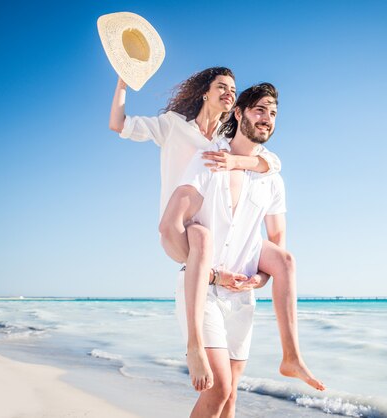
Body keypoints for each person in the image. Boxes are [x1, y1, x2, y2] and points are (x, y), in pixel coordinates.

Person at [109, 69, 322, 393]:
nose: (228, 93)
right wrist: (123, 82)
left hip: (225, 232)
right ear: (205, 93)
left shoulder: (230, 139)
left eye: (232, 89)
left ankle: (291, 355)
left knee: (285, 260)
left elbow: (269, 163)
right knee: (202, 238)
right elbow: (119, 124)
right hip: (182, 222)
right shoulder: (175, 126)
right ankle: (195, 343)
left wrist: (238, 163)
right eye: (221, 87)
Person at [166, 83, 323, 418]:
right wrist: (206, 269)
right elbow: (169, 227)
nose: (267, 119)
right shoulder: (209, 160)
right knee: (218, 389)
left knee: (232, 397)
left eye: (273, 113)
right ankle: (195, 345)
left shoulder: (272, 178)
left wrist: (260, 280)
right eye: (259, 110)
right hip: (203, 293)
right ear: (238, 113)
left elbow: (277, 238)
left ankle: (291, 356)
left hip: (241, 301)